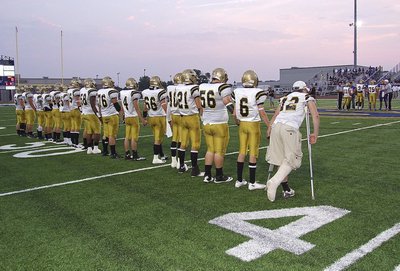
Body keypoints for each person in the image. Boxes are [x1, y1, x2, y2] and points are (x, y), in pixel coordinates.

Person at [266, 80, 319, 202]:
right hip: (289, 128)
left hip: (276, 126)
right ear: (304, 89)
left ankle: (286, 190)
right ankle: (274, 182)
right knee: (293, 159)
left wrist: (269, 128)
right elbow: (315, 115)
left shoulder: (285, 98)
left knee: (280, 159)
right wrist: (315, 133)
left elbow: (276, 114)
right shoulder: (307, 97)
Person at [232, 70, 270, 190]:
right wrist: (269, 125)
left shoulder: (237, 91)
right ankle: (252, 183)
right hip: (253, 124)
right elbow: (262, 112)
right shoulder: (258, 92)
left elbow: (234, 113)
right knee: (253, 152)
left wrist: (237, 121)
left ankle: (239, 180)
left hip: (242, 124)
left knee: (242, 151)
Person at [199, 68, 234, 183]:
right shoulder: (222, 87)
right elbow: (226, 101)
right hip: (219, 124)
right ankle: (219, 176)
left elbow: (200, 105)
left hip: (207, 123)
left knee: (210, 150)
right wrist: (235, 114)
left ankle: (207, 175)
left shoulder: (203, 86)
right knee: (219, 151)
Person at [175, 69, 203, 176]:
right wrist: (202, 115)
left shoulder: (179, 88)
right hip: (192, 118)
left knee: (183, 143)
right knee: (195, 144)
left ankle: (181, 166)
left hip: (183, 117)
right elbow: (199, 105)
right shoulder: (194, 88)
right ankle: (195, 169)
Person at [142, 76, 168, 164]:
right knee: (158, 139)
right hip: (159, 117)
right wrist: (169, 116)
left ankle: (161, 155)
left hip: (151, 117)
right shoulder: (160, 92)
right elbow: (164, 105)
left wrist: (144, 117)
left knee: (157, 138)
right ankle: (155, 158)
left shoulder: (145, 92)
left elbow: (145, 107)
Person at [120, 78, 147, 160]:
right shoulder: (133, 93)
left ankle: (127, 154)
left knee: (127, 137)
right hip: (133, 117)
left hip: (127, 117)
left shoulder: (122, 92)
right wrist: (142, 119)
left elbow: (122, 106)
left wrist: (122, 117)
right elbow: (136, 107)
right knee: (134, 138)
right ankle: (135, 155)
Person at [97, 76, 122, 159]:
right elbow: (115, 103)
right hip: (112, 115)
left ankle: (105, 151)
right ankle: (113, 153)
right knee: (112, 135)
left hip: (104, 115)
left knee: (105, 134)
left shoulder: (100, 91)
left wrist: (100, 115)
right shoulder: (112, 91)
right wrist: (121, 111)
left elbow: (99, 105)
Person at [166, 73, 186, 169]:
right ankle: (180, 163)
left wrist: (168, 117)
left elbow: (169, 103)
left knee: (174, 138)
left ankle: (173, 161)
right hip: (181, 114)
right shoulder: (183, 88)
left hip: (173, 114)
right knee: (182, 139)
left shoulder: (170, 88)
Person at [80, 78, 102, 154]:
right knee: (97, 132)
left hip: (84, 113)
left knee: (89, 132)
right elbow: (93, 105)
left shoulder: (82, 90)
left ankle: (89, 148)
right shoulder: (92, 91)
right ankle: (95, 148)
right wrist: (99, 115)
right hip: (91, 113)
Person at [67, 79, 82, 147]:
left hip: (70, 109)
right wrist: (80, 108)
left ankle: (72, 142)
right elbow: (78, 100)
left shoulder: (69, 90)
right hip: (76, 109)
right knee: (77, 126)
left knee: (73, 126)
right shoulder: (76, 91)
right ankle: (76, 143)